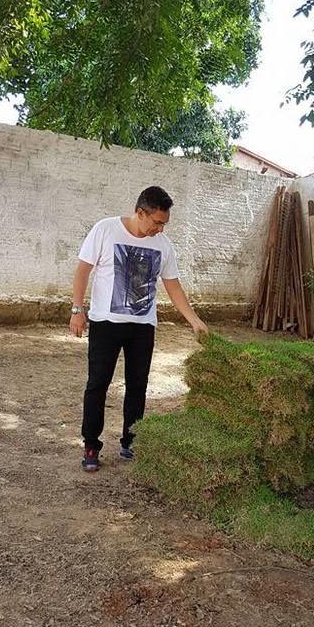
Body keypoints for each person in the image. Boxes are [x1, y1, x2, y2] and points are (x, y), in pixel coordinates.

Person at [69, 185, 208, 471]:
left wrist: (193, 319)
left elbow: (172, 284)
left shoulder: (163, 245)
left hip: (142, 327)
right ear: (141, 212)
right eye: (157, 222)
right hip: (105, 324)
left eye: (164, 223)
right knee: (98, 385)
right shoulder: (106, 230)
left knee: (138, 387)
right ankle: (91, 445)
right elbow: (83, 270)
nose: (160, 228)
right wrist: (77, 310)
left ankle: (131, 441)